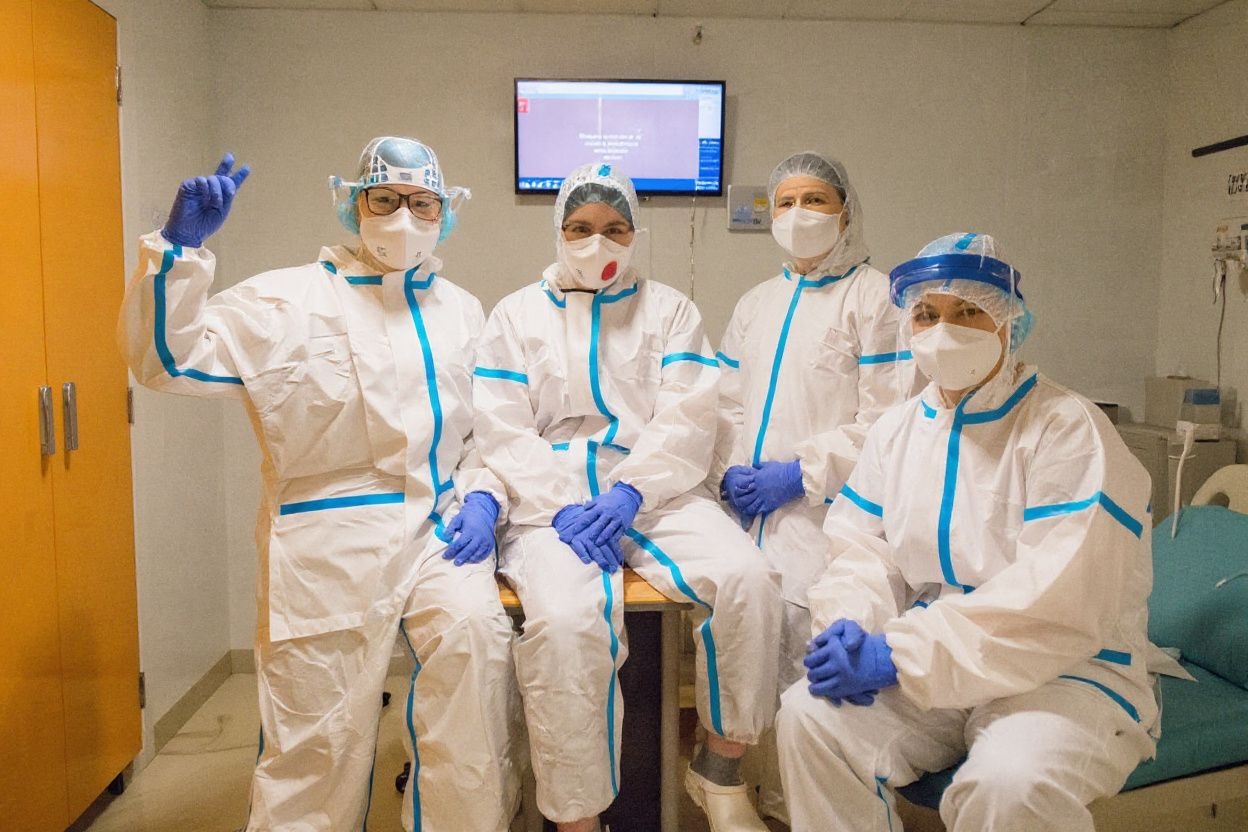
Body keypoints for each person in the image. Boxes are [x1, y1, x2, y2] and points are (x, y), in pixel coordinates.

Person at [118, 138, 521, 832]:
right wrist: (177, 253)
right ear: (352, 205)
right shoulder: (285, 300)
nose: (403, 217)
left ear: (444, 213)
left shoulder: (461, 311)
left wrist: (485, 496)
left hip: (438, 533)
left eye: (421, 203)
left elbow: (489, 429)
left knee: (476, 685)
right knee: (315, 745)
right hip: (324, 543)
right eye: (384, 199)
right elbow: (163, 361)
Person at [776, 233, 1158, 832]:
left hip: (1063, 671)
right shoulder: (898, 431)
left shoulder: (1067, 428)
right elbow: (862, 550)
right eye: (926, 314)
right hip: (932, 664)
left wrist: (898, 653)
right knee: (807, 716)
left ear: (1011, 324)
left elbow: (1058, 597)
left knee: (1010, 784)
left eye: (967, 313)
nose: (943, 331)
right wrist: (851, 625)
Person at [474, 162, 782, 832]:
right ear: (559, 230)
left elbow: (689, 417)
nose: (597, 242)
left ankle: (720, 771)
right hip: (551, 504)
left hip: (658, 490)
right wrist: (563, 504)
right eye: (581, 228)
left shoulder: (670, 310)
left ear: (635, 233)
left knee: (750, 578)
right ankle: (579, 819)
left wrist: (628, 495)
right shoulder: (516, 315)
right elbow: (501, 425)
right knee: (561, 624)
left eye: (615, 229)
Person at [713, 152, 916, 822]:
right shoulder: (756, 303)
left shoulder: (877, 298)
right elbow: (727, 404)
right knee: (753, 668)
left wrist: (800, 472)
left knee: (813, 665)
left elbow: (888, 419)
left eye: (816, 200)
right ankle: (757, 799)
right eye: (786, 202)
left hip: (833, 519)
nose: (799, 215)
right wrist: (732, 471)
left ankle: (802, 811)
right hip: (751, 523)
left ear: (846, 212)